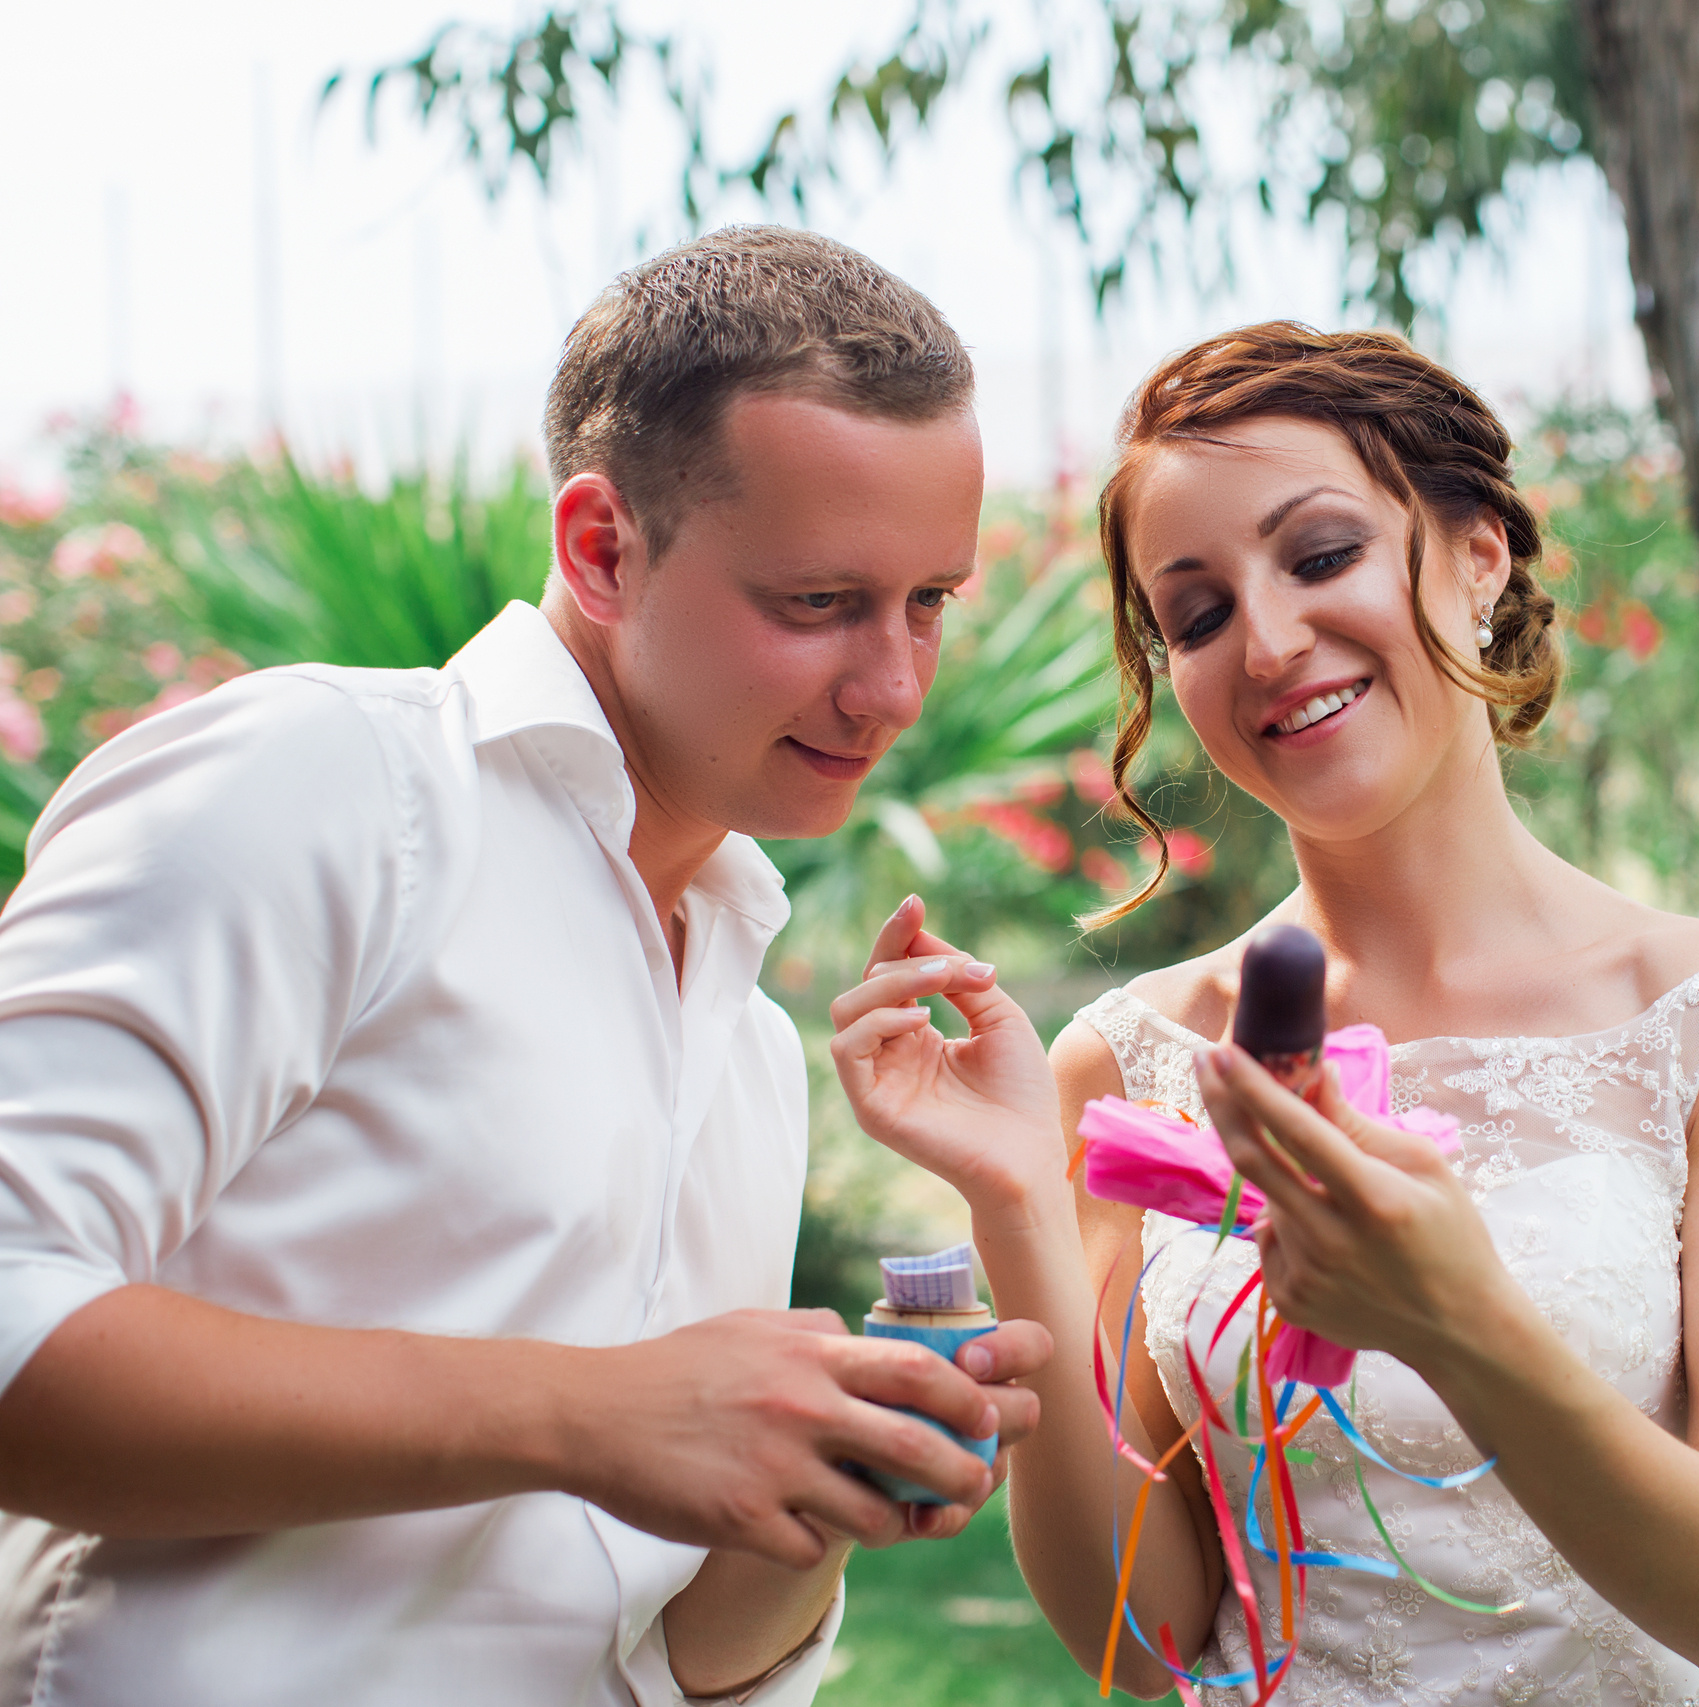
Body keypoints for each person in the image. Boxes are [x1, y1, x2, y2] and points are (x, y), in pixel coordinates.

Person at [0, 226, 1051, 1707]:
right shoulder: (325, 787)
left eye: (929, 600)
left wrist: (837, 1481)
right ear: (602, 548)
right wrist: (596, 1413)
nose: (893, 687)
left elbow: (676, 1659)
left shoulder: (748, 1043)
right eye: (819, 603)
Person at [831, 323, 1699, 1704]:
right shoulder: (1131, 1061)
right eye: (1197, 614)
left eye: (1320, 556)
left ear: (1478, 551)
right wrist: (1017, 1207)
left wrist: (1452, 1317)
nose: (1270, 639)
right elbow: (1147, 1641)